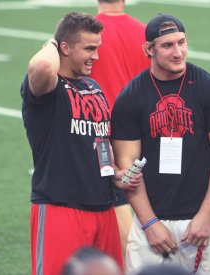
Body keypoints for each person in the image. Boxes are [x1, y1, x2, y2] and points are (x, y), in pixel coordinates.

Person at [111, 14, 210, 274]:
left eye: (181, 42)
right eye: (167, 45)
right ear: (149, 49)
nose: (178, 52)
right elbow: (129, 169)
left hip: (209, 218)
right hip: (153, 223)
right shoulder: (130, 98)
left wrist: (206, 216)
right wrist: (149, 224)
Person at [20, 12, 141, 275]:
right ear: (64, 47)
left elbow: (99, 142)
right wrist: (53, 42)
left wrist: (115, 175)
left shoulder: (93, 86)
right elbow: (41, 67)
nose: (96, 57)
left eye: (97, 48)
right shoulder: (48, 88)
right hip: (60, 209)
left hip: (104, 208)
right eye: (89, 48)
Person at [91, 0, 150, 262]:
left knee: (118, 209)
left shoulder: (89, 34)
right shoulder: (145, 31)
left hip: (104, 136)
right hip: (145, 132)